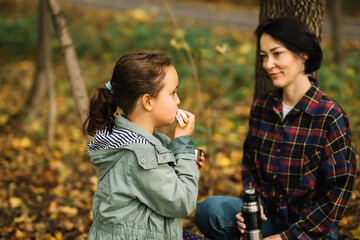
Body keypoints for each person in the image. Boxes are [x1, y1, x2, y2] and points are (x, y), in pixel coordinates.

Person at [194, 16, 356, 240]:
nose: (267, 65)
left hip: (311, 230)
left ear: (303, 54)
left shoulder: (330, 116)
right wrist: (252, 205)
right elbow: (250, 166)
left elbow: (336, 195)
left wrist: (285, 238)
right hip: (268, 218)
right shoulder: (262, 107)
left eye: (277, 54)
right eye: (263, 56)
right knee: (210, 211)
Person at [83, 50, 207, 240]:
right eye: (173, 93)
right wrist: (182, 147)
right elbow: (182, 202)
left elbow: (157, 180)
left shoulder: (127, 137)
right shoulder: (140, 154)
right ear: (148, 101)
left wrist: (183, 161)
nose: (178, 100)